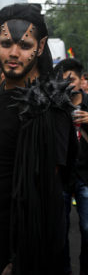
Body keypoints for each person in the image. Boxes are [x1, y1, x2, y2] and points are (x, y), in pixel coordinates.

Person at [0, 3, 78, 275]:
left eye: (25, 46)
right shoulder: (4, 95)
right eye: (6, 43)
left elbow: (46, 192)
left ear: (41, 46)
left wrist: (18, 257)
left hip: (28, 248)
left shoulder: (47, 105)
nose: (13, 53)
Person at [54, 58, 88, 275]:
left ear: (81, 79)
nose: (67, 83)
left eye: (71, 79)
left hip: (86, 176)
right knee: (60, 232)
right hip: (62, 176)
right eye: (63, 79)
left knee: (86, 228)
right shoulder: (56, 106)